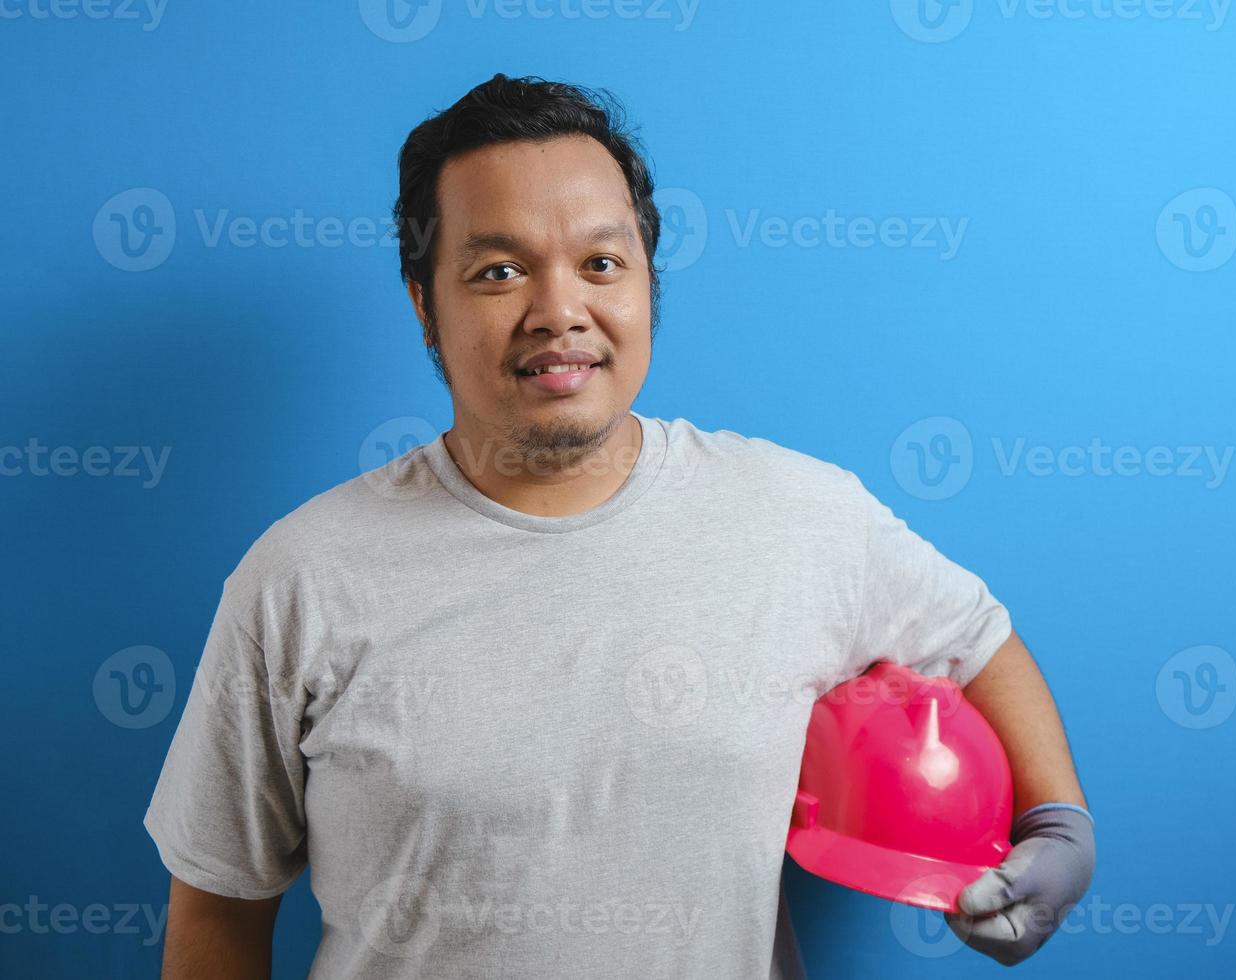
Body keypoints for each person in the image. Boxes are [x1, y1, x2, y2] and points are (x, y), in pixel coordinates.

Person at [143, 73, 1094, 979]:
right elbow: (219, 908)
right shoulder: (300, 578)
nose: (560, 313)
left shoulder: (797, 516)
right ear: (424, 306)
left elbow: (973, 636)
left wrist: (1059, 827)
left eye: (602, 263)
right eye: (499, 270)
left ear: (647, 285)